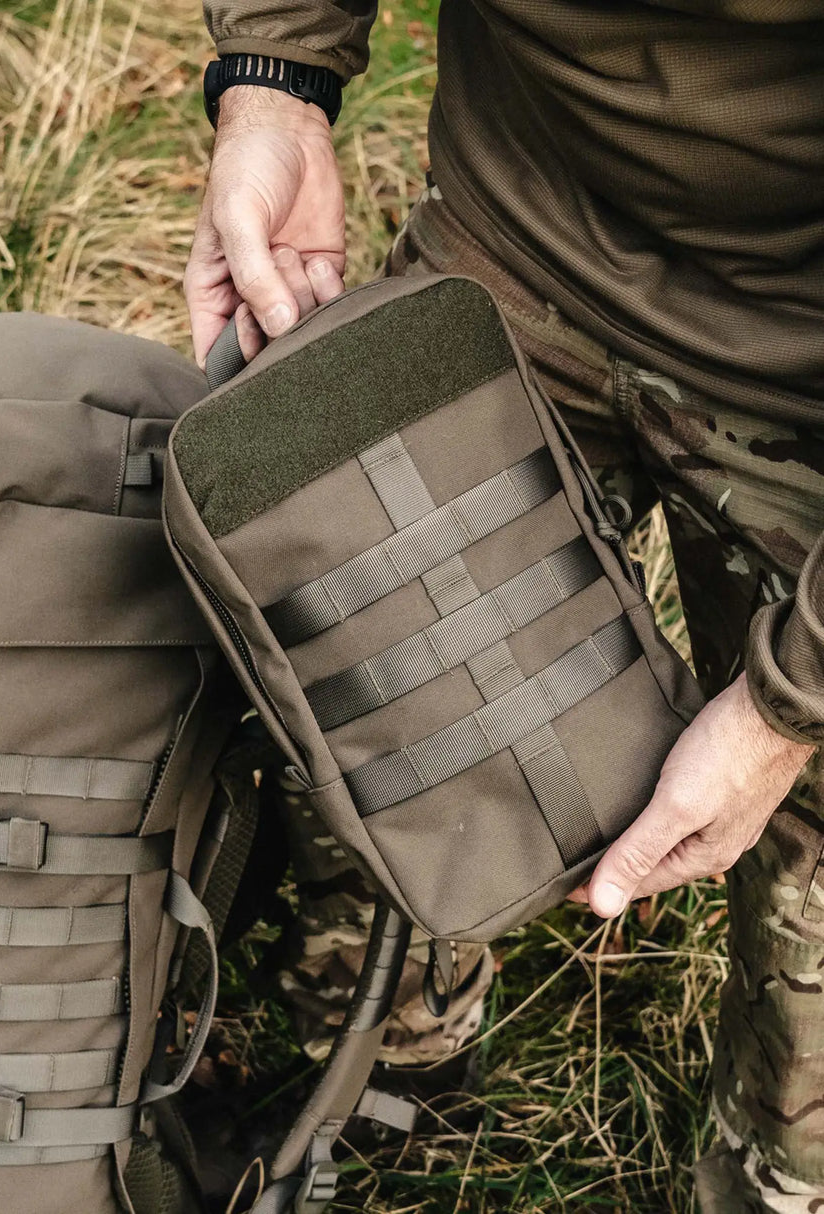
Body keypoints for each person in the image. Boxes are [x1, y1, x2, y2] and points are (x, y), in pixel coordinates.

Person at [183, 4, 824, 1210]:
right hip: (512, 246)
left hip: (804, 361)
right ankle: (384, 1078)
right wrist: (272, 86)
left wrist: (784, 709)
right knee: (357, 673)